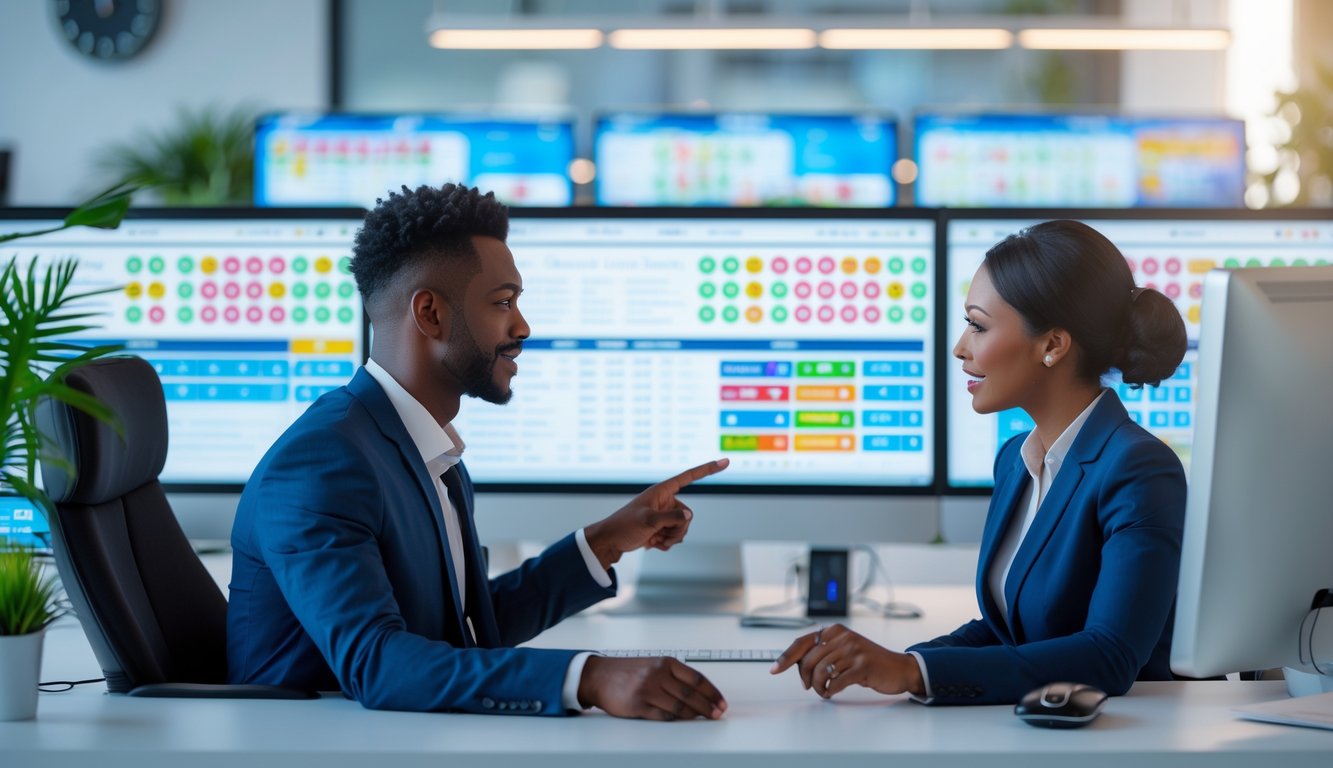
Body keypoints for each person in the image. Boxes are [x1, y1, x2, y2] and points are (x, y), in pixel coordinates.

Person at [228, 183, 729, 720]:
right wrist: (587, 677)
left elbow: (465, 625)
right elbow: (376, 664)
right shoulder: (321, 464)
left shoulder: (420, 448)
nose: (522, 327)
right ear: (431, 314)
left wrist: (606, 541)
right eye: (503, 303)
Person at [771, 219, 1188, 705]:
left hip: (1136, 741)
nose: (960, 348)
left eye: (978, 325)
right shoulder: (1016, 460)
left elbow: (1110, 656)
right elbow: (1008, 630)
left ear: (1052, 345)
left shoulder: (1138, 468)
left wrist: (912, 671)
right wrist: (885, 662)